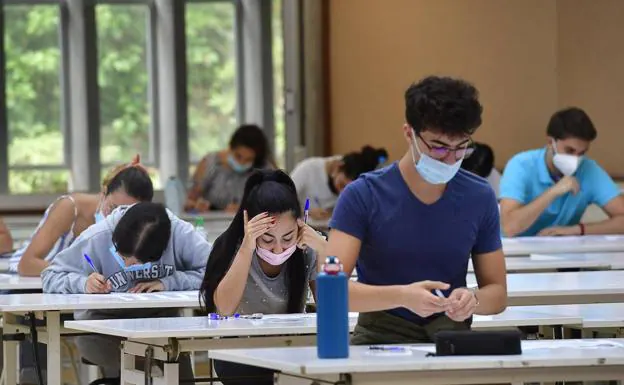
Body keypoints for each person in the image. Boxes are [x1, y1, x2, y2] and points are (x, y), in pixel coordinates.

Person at [326, 76, 507, 344]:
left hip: (452, 339)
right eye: (438, 147)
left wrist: (473, 299)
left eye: (461, 148)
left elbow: (498, 293)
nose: (450, 159)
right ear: (409, 133)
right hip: (380, 340)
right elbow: (330, 292)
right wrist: (401, 296)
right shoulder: (362, 196)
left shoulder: (479, 196)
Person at [41, 202, 210, 381]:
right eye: (122, 257)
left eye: (138, 263)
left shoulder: (180, 234)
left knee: (177, 369)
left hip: (162, 325)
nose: (128, 266)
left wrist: (170, 282)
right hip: (104, 327)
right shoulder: (97, 236)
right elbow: (50, 276)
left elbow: (218, 271)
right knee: (138, 366)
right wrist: (83, 283)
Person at [200, 169, 326, 385]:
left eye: (287, 238)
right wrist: (247, 248)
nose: (278, 249)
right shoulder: (232, 247)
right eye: (267, 240)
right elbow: (224, 309)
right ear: (250, 225)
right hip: (240, 353)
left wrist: (324, 249)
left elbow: (330, 309)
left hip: (292, 349)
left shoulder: (308, 248)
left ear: (300, 223)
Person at [10, 155, 153, 277]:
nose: (117, 216)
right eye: (113, 208)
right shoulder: (69, 207)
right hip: (27, 280)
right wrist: (84, 274)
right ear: (104, 193)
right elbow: (27, 264)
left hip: (74, 287)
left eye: (127, 213)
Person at [499, 107, 624, 237]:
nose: (575, 159)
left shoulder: (588, 168)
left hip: (561, 250)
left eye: (582, 153)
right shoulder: (521, 165)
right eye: (569, 150)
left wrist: (578, 229)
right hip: (516, 251)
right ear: (550, 142)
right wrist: (554, 192)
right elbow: (509, 227)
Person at [185, 124, 273, 213]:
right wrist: (197, 205)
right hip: (211, 222)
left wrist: (247, 209)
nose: (242, 162)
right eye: (238, 156)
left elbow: (276, 203)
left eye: (248, 159)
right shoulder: (210, 163)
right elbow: (189, 202)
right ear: (231, 148)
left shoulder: (264, 168)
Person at [290, 146, 388, 220]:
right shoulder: (307, 170)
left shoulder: (358, 179)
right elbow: (281, 201)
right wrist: (306, 212)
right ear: (338, 166)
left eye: (348, 190)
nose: (342, 193)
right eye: (342, 185)